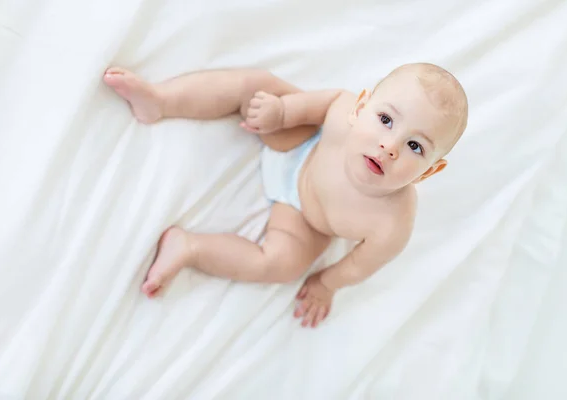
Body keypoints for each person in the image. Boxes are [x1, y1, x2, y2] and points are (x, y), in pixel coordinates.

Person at [103, 62, 468, 328]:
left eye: (416, 146)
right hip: (301, 142)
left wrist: (326, 285)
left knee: (282, 264)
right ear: (361, 107)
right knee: (256, 87)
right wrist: (282, 113)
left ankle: (189, 247)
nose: (390, 146)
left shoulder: (392, 223)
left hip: (304, 218)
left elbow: (359, 264)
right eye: (386, 120)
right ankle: (161, 100)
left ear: (430, 171)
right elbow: (320, 106)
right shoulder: (343, 113)